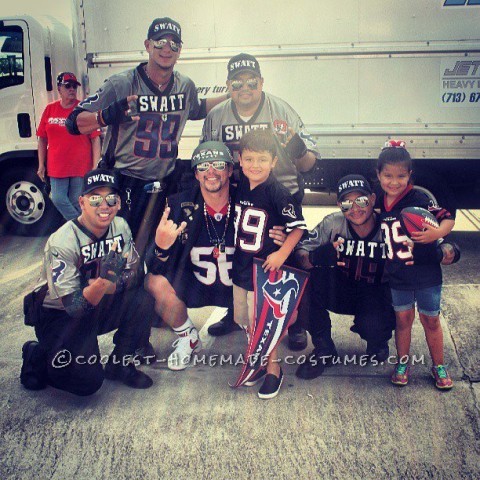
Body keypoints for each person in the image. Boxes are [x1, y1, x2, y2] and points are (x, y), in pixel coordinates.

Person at [66, 17, 227, 254]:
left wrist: (233, 95)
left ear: (180, 50)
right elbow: (73, 123)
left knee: (160, 251)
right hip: (125, 181)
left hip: (164, 183)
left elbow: (198, 109)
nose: (166, 48)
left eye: (173, 44)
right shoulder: (121, 84)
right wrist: (106, 115)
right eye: (160, 41)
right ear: (148, 44)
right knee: (117, 252)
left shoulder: (185, 85)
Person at [201, 53, 319, 346]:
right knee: (236, 255)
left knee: (290, 258)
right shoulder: (216, 117)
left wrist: (294, 144)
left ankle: (294, 324)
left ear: (261, 82)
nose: (245, 87)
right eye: (237, 82)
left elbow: (308, 164)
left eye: (251, 81)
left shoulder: (281, 110)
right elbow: (206, 162)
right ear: (228, 85)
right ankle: (235, 313)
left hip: (279, 197)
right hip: (238, 197)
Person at [144, 140, 287, 371]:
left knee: (272, 279)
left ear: (231, 170)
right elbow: (154, 264)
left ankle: (257, 335)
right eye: (203, 166)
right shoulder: (178, 205)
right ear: (196, 174)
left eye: (218, 164)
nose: (211, 172)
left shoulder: (253, 199)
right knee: (153, 282)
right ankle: (188, 337)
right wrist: (161, 247)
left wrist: (280, 238)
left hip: (240, 287)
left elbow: (285, 236)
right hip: (198, 281)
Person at [20, 168, 153, 396]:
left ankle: (120, 364)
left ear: (119, 203)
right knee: (86, 382)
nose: (104, 206)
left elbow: (135, 274)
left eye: (111, 198)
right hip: (58, 314)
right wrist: (104, 281)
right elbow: (74, 307)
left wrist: (109, 285)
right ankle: (38, 355)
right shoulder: (63, 240)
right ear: (81, 202)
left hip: (95, 302)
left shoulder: (120, 226)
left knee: (142, 298)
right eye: (95, 198)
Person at [294, 174, 396, 380]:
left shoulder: (390, 226)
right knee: (303, 283)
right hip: (340, 290)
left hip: (374, 293)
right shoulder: (333, 224)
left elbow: (430, 247)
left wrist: (447, 250)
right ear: (339, 204)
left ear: (373, 200)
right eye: (347, 203)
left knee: (378, 320)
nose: (355, 208)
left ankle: (377, 340)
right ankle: (323, 348)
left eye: (361, 201)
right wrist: (316, 256)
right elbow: (299, 253)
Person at [233, 129, 307, 399]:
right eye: (250, 159)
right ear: (240, 160)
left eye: (262, 160)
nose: (255, 165)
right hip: (241, 266)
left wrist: (281, 254)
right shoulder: (240, 184)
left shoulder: (278, 191)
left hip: (264, 270)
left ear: (274, 162)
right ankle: (256, 362)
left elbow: (299, 228)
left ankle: (274, 368)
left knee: (266, 321)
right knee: (247, 321)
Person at [377, 140, 455, 390]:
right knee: (403, 320)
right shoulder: (377, 199)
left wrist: (436, 235)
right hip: (398, 273)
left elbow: (448, 218)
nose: (394, 181)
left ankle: (438, 365)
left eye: (401, 176)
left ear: (410, 175)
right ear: (378, 175)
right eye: (388, 175)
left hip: (426, 273)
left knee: (430, 320)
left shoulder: (418, 198)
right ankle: (402, 362)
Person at [37, 72, 101, 220]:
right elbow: (42, 138)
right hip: (57, 166)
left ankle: (82, 230)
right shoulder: (50, 109)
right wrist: (41, 164)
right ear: (59, 88)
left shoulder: (83, 109)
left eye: (74, 86)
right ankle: (85, 227)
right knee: (58, 198)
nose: (72, 89)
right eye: (68, 86)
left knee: (75, 201)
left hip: (80, 165)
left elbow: (95, 138)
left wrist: (95, 165)